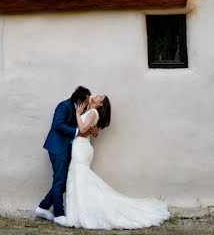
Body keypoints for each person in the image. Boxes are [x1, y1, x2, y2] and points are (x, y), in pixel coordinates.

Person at [63, 95, 170, 229]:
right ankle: (78, 213)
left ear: (100, 104)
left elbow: (83, 129)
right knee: (79, 179)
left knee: (80, 178)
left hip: (81, 149)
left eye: (99, 97)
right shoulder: (90, 112)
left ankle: (83, 213)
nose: (95, 96)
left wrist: (78, 114)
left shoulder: (92, 112)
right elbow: (89, 129)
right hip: (81, 147)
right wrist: (89, 124)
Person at [36, 86, 94, 227]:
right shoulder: (63, 106)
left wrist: (92, 129)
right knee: (60, 180)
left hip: (71, 149)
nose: (88, 103)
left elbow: (84, 125)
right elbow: (58, 125)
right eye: (87, 101)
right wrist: (78, 132)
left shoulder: (82, 109)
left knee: (64, 180)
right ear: (80, 100)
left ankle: (43, 208)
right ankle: (59, 214)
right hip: (58, 147)